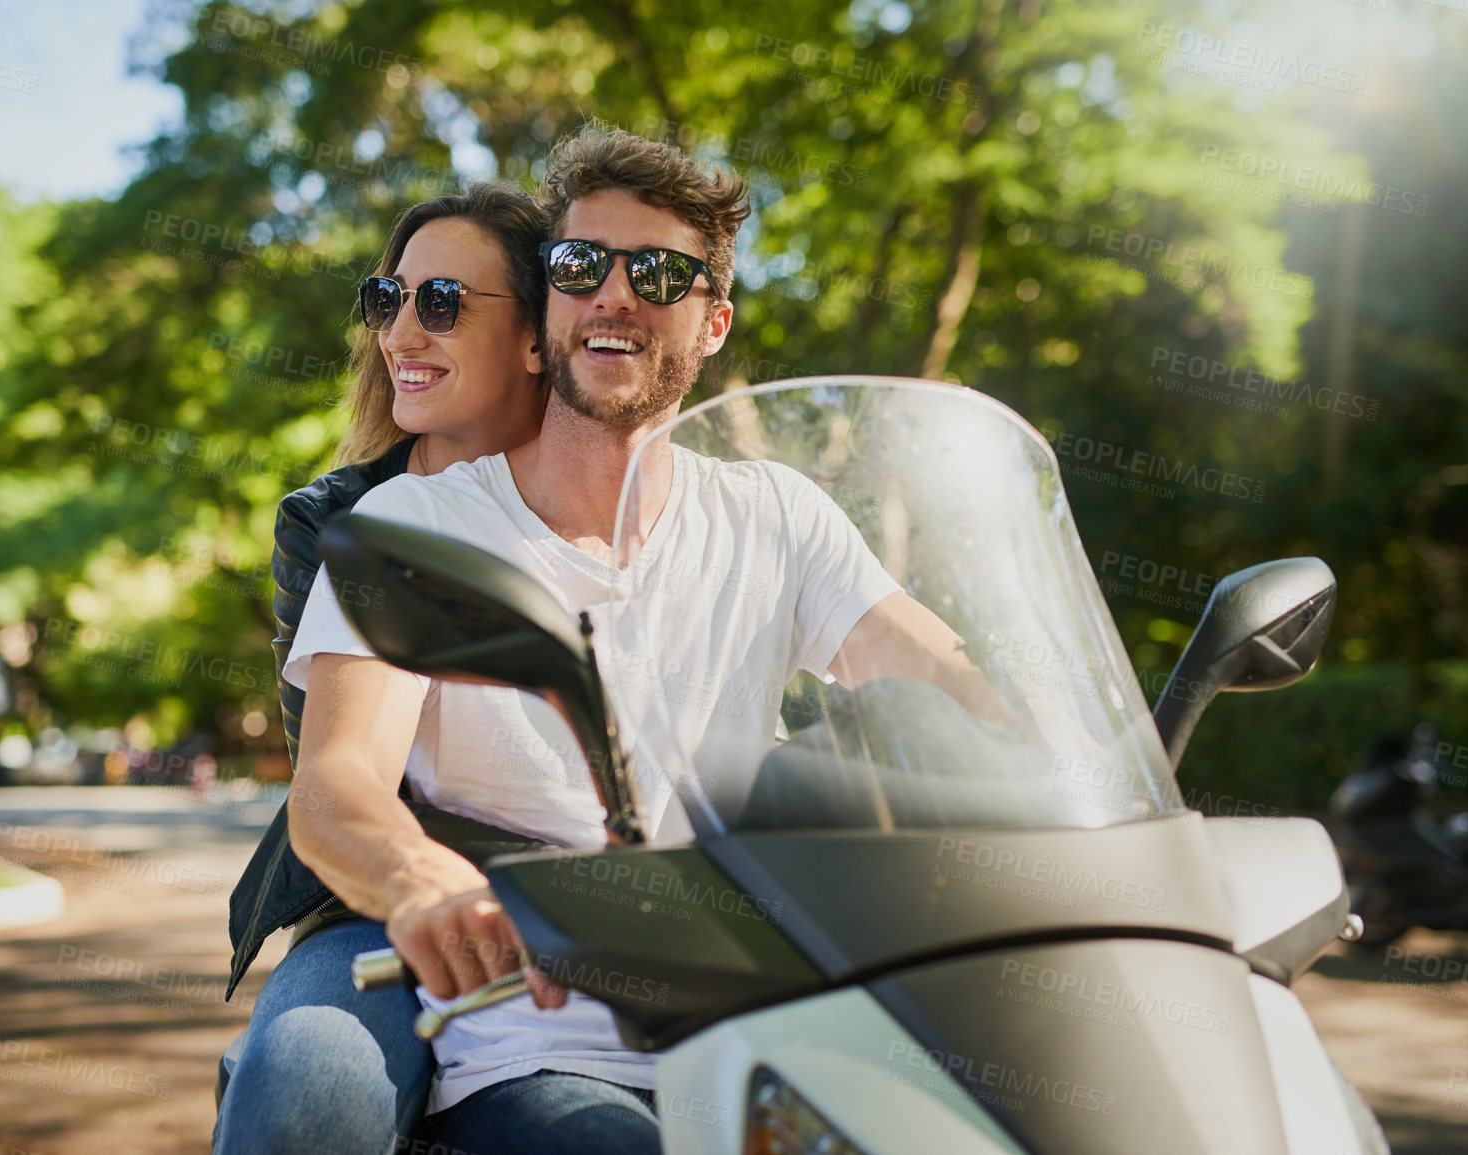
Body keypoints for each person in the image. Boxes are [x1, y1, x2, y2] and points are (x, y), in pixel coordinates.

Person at [281, 126, 999, 1154]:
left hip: (777, 1025)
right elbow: (336, 784)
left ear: (713, 323)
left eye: (661, 273)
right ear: (547, 316)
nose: (616, 294)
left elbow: (949, 681)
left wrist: (1081, 777)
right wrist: (417, 879)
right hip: (537, 1037)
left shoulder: (778, 516)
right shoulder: (413, 531)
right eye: (581, 266)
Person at [214, 182, 552, 1154]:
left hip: (601, 901)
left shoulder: (619, 509)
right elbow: (342, 775)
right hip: (374, 900)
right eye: (386, 299)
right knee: (305, 1083)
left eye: (441, 303)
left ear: (538, 335)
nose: (401, 329)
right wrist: (424, 882)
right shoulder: (336, 522)